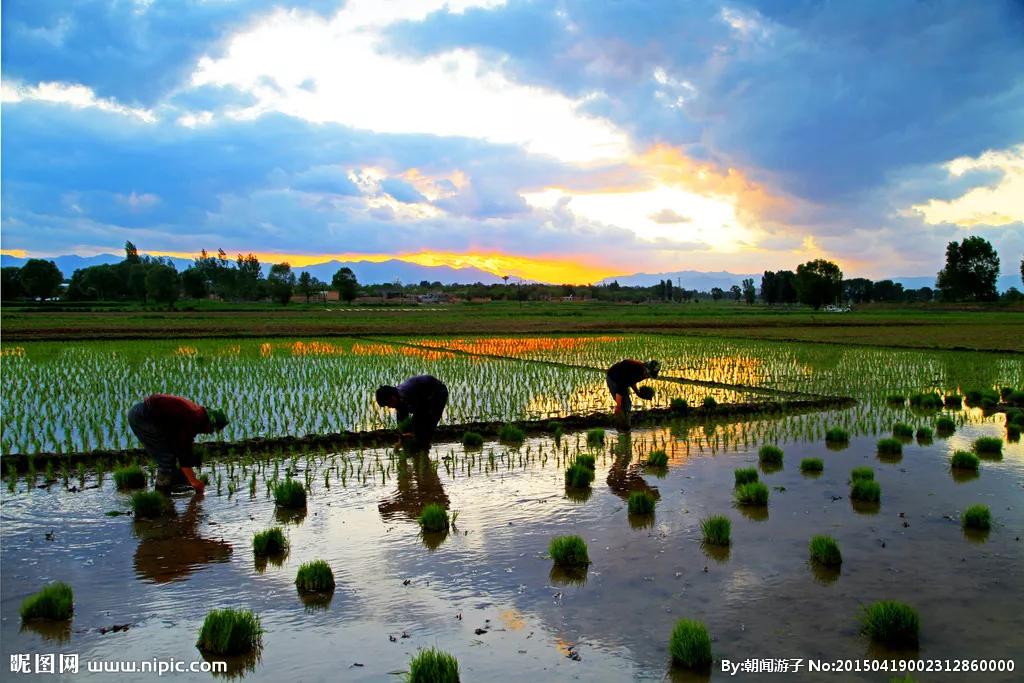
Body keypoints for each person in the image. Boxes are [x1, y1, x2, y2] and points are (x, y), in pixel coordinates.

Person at [127, 394, 228, 493]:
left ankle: (176, 482)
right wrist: (194, 481)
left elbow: (183, 444)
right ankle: (162, 495)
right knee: (166, 458)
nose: (210, 432)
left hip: (151, 416)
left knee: (172, 450)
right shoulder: (191, 418)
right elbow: (183, 449)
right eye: (213, 429)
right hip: (143, 417)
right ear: (210, 422)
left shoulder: (196, 415)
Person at [375, 375, 449, 450]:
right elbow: (402, 422)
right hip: (424, 399)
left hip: (438, 393)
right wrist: (401, 439)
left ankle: (424, 449)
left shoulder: (408, 394)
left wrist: (414, 432)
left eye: (388, 404)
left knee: (428, 424)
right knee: (414, 428)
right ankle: (420, 448)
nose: (389, 407)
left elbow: (420, 413)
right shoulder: (399, 400)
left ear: (392, 398)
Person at [606, 359, 660, 428]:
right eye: (648, 373)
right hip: (613, 378)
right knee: (623, 404)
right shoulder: (636, 369)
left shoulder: (643, 373)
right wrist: (618, 405)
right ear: (646, 367)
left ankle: (626, 426)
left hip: (623, 380)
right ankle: (621, 427)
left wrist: (638, 393)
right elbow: (621, 386)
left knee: (627, 404)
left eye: (649, 375)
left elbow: (632, 381)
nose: (647, 376)